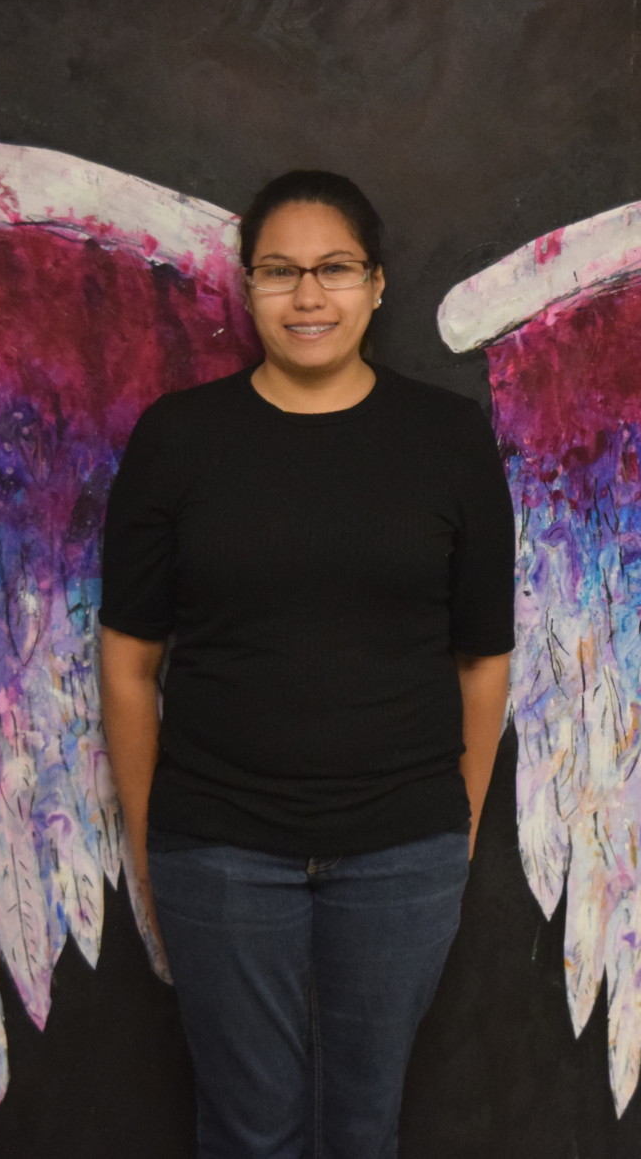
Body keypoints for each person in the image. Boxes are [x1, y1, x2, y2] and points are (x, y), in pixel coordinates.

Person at [97, 170, 515, 1159]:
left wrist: (452, 836)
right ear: (247, 286)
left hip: (402, 850)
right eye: (279, 271)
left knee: (363, 1129)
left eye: (334, 268)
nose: (307, 295)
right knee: (250, 1133)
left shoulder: (449, 439)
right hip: (220, 850)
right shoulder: (179, 439)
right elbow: (127, 662)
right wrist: (154, 846)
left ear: (376, 284)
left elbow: (483, 659)